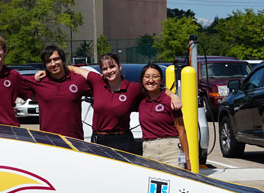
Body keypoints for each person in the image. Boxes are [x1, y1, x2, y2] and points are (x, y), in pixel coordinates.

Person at [39, 53, 180, 154]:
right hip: (99, 140)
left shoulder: (132, 88)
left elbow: (153, 88)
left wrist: (172, 95)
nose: (109, 71)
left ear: (119, 67)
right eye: (105, 69)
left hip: (122, 140)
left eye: (112, 67)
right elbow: (73, 69)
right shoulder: (97, 81)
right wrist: (48, 72)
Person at [23, 45, 91, 139]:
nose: (53, 64)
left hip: (75, 140)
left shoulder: (78, 80)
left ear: (63, 61)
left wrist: (72, 68)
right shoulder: (38, 80)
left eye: (56, 59)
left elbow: (100, 81)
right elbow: (12, 82)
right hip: (48, 140)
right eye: (48, 61)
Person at [138, 64, 191, 170]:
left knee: (175, 182)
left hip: (171, 149)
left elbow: (182, 131)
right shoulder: (139, 99)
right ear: (142, 80)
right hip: (149, 150)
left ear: (161, 80)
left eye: (155, 76)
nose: (151, 80)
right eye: (147, 76)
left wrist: (187, 159)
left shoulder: (169, 101)